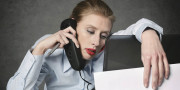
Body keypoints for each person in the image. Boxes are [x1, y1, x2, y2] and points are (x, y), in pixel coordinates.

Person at [7, 0, 169, 90]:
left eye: (104, 35)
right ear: (72, 26)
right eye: (90, 31)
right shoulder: (49, 50)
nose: (97, 42)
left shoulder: (111, 45)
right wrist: (39, 49)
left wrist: (148, 34)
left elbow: (138, 26)